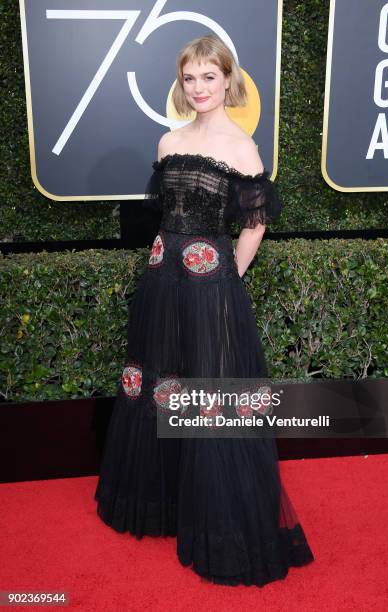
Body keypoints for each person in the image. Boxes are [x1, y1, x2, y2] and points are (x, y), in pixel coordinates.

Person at [94, 33, 314, 587]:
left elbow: (255, 225)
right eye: (190, 78)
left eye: (208, 77)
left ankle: (223, 527)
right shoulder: (168, 142)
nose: (198, 88)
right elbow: (167, 215)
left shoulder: (243, 148)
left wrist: (226, 277)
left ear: (227, 80)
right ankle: (164, 504)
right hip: (162, 281)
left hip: (210, 285)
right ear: (181, 83)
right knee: (161, 382)